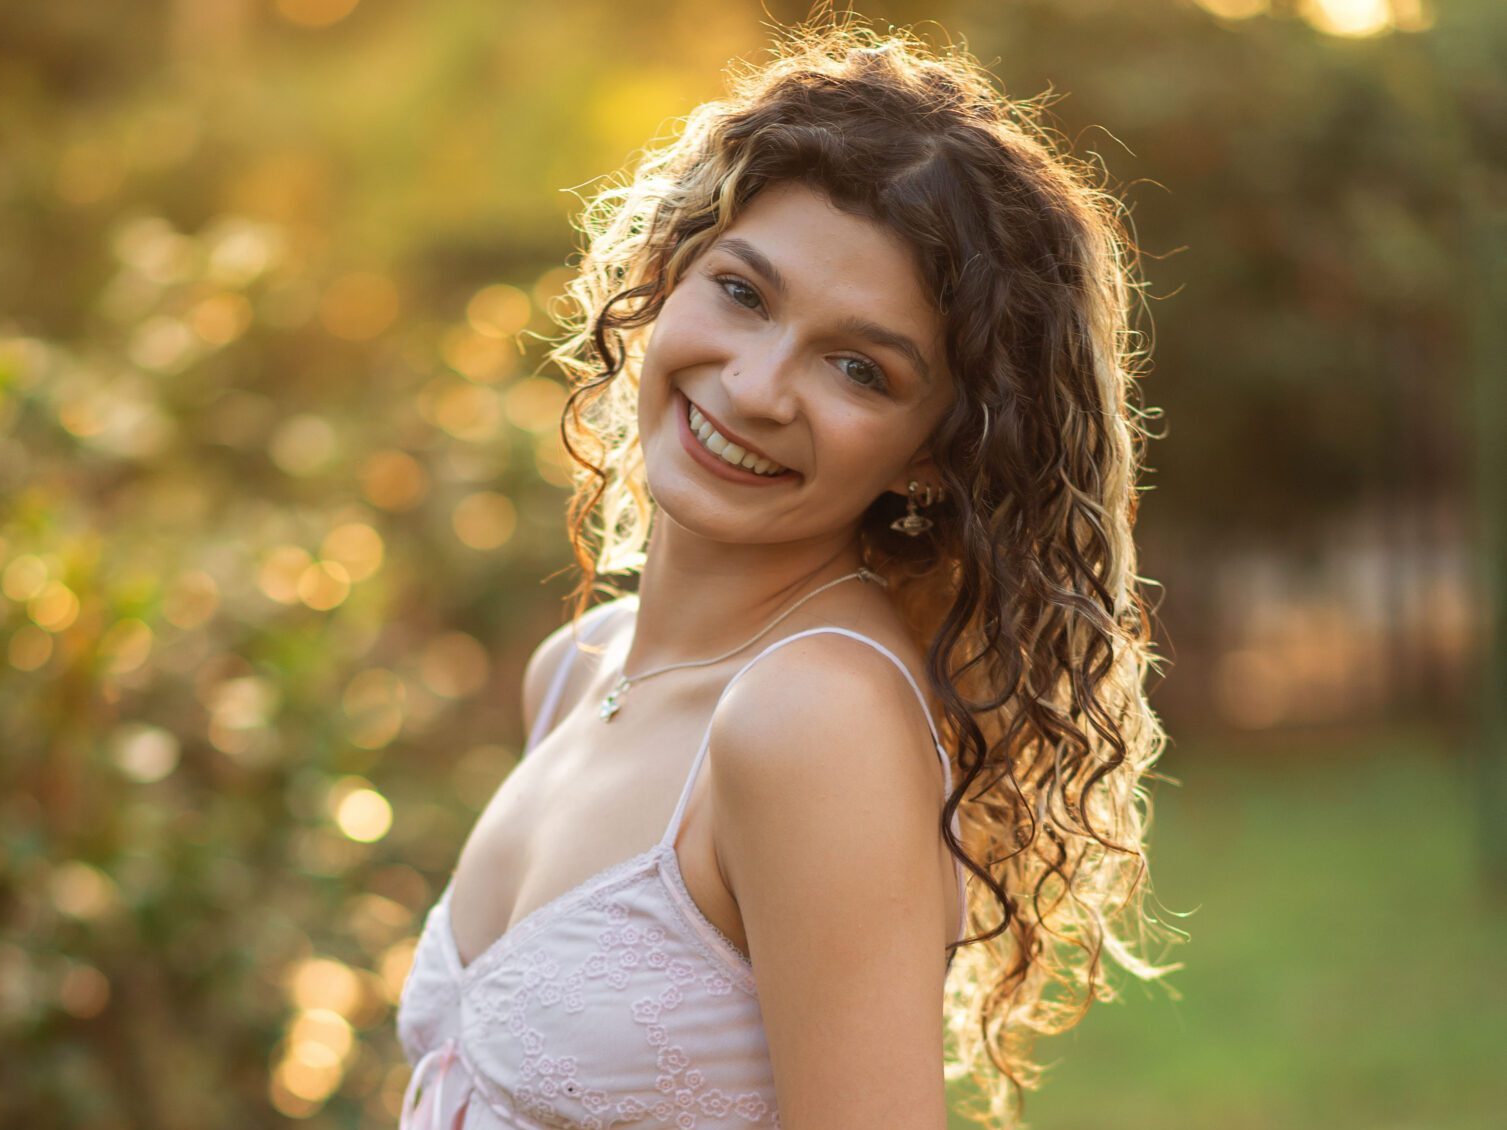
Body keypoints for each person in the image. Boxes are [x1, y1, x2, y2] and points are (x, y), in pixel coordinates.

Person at [396, 17, 1180, 1130]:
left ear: (931, 451)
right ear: (667, 276)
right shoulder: (576, 667)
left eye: (858, 367)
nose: (759, 387)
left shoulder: (813, 717)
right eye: (744, 293)